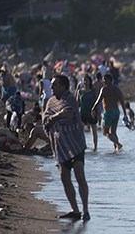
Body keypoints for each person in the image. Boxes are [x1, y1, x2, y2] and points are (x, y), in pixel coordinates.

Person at [44, 74, 90, 221]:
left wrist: (56, 118)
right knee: (64, 177)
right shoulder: (50, 102)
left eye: (55, 85)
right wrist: (56, 116)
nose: (51, 87)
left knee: (79, 175)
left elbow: (69, 116)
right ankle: (75, 211)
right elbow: (46, 120)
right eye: (51, 85)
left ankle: (85, 210)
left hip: (75, 143)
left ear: (64, 87)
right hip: (60, 145)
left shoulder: (70, 99)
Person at [91, 73, 127, 152]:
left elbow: (98, 100)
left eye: (105, 79)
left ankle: (118, 144)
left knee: (105, 132)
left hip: (108, 112)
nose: (103, 81)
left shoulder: (104, 89)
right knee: (113, 132)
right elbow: (122, 101)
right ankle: (116, 150)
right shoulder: (117, 89)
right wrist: (125, 113)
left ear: (109, 80)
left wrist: (93, 108)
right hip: (116, 112)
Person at [75, 74, 99, 151]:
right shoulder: (80, 91)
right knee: (79, 131)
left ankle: (95, 148)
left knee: (94, 131)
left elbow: (97, 103)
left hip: (92, 113)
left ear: (89, 81)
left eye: (86, 80)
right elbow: (77, 103)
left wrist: (98, 113)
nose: (85, 82)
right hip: (82, 113)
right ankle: (82, 146)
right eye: (83, 80)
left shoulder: (93, 91)